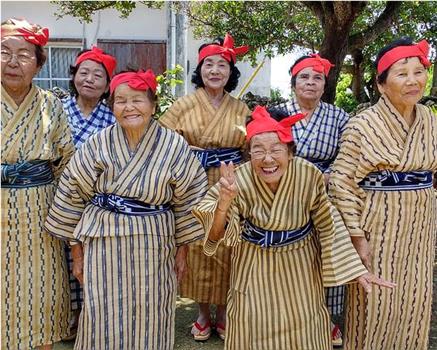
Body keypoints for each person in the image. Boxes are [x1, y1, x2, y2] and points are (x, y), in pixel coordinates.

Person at [192, 105, 394, 350]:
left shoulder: (308, 174)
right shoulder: (239, 179)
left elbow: (328, 221)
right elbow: (214, 236)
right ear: (248, 154)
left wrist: (356, 268)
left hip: (300, 264)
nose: (267, 159)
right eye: (258, 151)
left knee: (306, 326)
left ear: (290, 152)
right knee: (251, 324)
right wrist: (224, 202)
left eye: (276, 149)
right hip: (253, 264)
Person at [45, 69, 208, 350]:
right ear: (112, 106)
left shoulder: (173, 145)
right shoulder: (98, 143)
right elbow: (73, 192)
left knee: (152, 307)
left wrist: (182, 250)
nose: (129, 107)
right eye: (121, 101)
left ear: (153, 105)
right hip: (103, 239)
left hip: (155, 240)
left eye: (137, 100)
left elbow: (188, 200)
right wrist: (76, 248)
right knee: (101, 310)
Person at [329, 38, 436, 350]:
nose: (413, 80)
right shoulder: (361, 125)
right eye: (402, 74)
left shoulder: (430, 121)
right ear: (381, 83)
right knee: (374, 302)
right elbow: (342, 182)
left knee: (416, 299)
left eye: (419, 72)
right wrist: (356, 236)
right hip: (377, 226)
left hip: (421, 224)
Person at [159, 33, 250, 340]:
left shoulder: (241, 108)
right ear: (199, 70)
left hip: (230, 181)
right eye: (208, 64)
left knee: (228, 243)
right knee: (197, 244)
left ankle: (223, 312)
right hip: (194, 181)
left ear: (230, 72)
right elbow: (162, 142)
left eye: (222, 65)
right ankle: (201, 312)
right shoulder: (183, 105)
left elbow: (251, 148)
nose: (215, 70)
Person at [1, 18, 75, 350]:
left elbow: (67, 163)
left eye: (24, 54)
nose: (13, 62)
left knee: (40, 294)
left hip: (40, 216)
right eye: (4, 52)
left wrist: (66, 218)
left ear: (39, 62)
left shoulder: (51, 105)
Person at [269, 53, 350, 346]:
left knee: (324, 255)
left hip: (325, 192)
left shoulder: (339, 117)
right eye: (304, 77)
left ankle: (326, 317)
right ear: (293, 82)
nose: (311, 83)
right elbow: (265, 152)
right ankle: (289, 317)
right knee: (290, 256)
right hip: (283, 193)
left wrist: (324, 177)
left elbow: (347, 158)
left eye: (317, 78)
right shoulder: (276, 113)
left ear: (324, 84)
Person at [61, 45, 117, 339]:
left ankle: (89, 315)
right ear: (74, 77)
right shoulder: (57, 110)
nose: (90, 79)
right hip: (61, 195)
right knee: (62, 259)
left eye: (99, 75)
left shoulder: (113, 116)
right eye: (84, 73)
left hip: (97, 199)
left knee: (93, 260)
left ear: (108, 85)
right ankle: (67, 313)